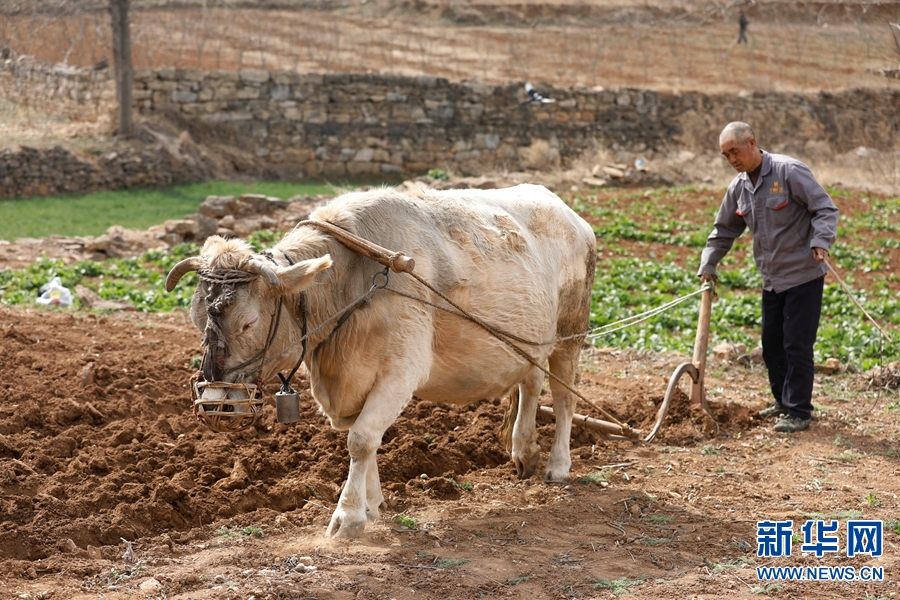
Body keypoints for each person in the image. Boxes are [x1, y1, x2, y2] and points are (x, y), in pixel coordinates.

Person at [698, 122, 839, 433]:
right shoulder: (738, 188)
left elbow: (825, 208)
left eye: (735, 151)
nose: (731, 159)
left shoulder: (789, 172)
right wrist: (709, 264)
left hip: (803, 274)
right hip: (772, 278)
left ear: (752, 143)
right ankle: (783, 401)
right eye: (725, 155)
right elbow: (723, 231)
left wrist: (820, 242)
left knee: (796, 345)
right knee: (772, 344)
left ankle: (799, 410)